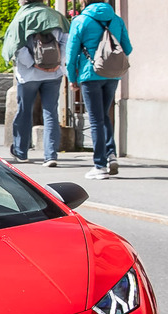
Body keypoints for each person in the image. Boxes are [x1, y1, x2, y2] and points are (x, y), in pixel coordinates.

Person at [65, 0, 131, 179]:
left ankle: (99, 165)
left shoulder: (80, 21)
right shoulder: (116, 20)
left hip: (90, 73)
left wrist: (72, 78)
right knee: (104, 116)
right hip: (112, 74)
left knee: (95, 119)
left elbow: (70, 54)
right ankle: (111, 155)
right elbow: (128, 48)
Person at [3, 0, 66, 164]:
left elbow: (16, 46)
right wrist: (58, 64)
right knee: (51, 113)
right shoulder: (56, 16)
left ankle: (21, 151)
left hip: (29, 75)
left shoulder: (22, 17)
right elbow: (66, 42)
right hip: (53, 73)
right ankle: (51, 155)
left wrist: (34, 64)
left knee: (24, 110)